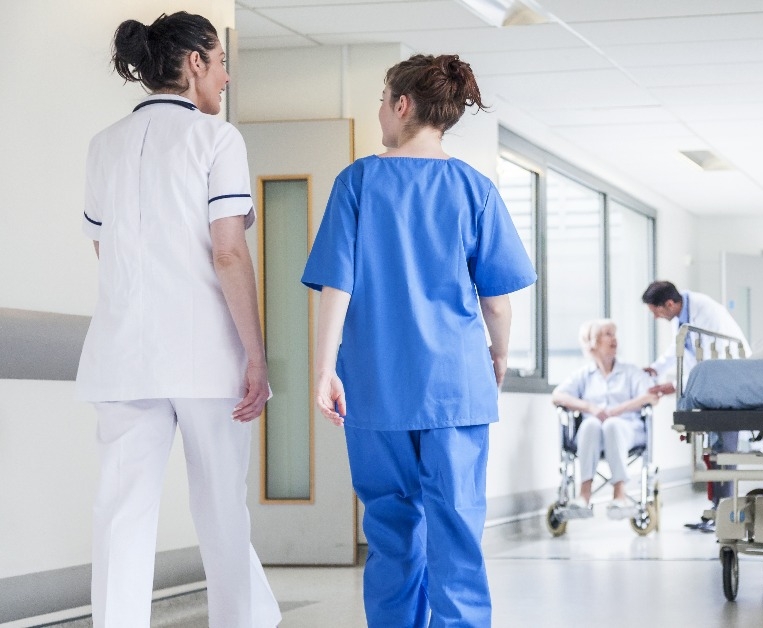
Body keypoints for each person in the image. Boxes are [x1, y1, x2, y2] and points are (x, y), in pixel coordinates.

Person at [302, 54, 536, 627]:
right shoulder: (474, 188)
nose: (380, 112)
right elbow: (497, 300)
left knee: (390, 530)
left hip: (375, 388)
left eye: (383, 100)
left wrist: (324, 370)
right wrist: (498, 354)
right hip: (456, 388)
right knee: (456, 531)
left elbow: (337, 286)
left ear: (402, 105)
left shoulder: (357, 181)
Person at [76, 12, 280, 627]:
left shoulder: (103, 144)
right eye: (220, 65)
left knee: (122, 515)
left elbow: (103, 249)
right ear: (195, 62)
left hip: (121, 356)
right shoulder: (217, 140)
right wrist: (256, 355)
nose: (223, 79)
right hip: (203, 355)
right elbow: (228, 250)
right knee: (221, 510)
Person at [641, 280, 749, 532]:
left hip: (728, 386)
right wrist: (656, 369)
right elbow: (680, 349)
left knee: (724, 452)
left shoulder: (707, 314)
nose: (657, 318)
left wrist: (677, 387)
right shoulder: (683, 314)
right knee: (713, 452)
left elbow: (711, 361)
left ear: (669, 304)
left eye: (657, 312)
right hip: (711, 390)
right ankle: (715, 510)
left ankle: (725, 512)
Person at [551, 320, 660, 519]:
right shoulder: (584, 375)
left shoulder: (630, 372)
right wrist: (590, 407)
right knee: (591, 423)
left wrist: (617, 410)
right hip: (591, 435)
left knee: (611, 424)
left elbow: (651, 396)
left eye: (614, 334)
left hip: (627, 430)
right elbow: (558, 396)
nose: (614, 338)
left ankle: (619, 494)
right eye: (608, 334)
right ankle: (584, 494)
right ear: (592, 342)